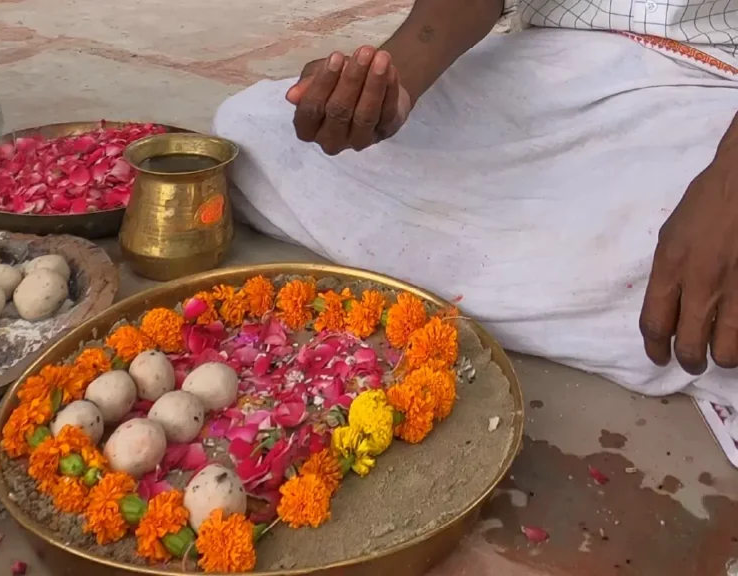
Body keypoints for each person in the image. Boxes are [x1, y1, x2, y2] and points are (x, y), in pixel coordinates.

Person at [213, 0, 738, 419]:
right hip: (547, 66)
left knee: (698, 247)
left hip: (715, 86)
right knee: (256, 133)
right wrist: (394, 82)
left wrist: (727, 188)